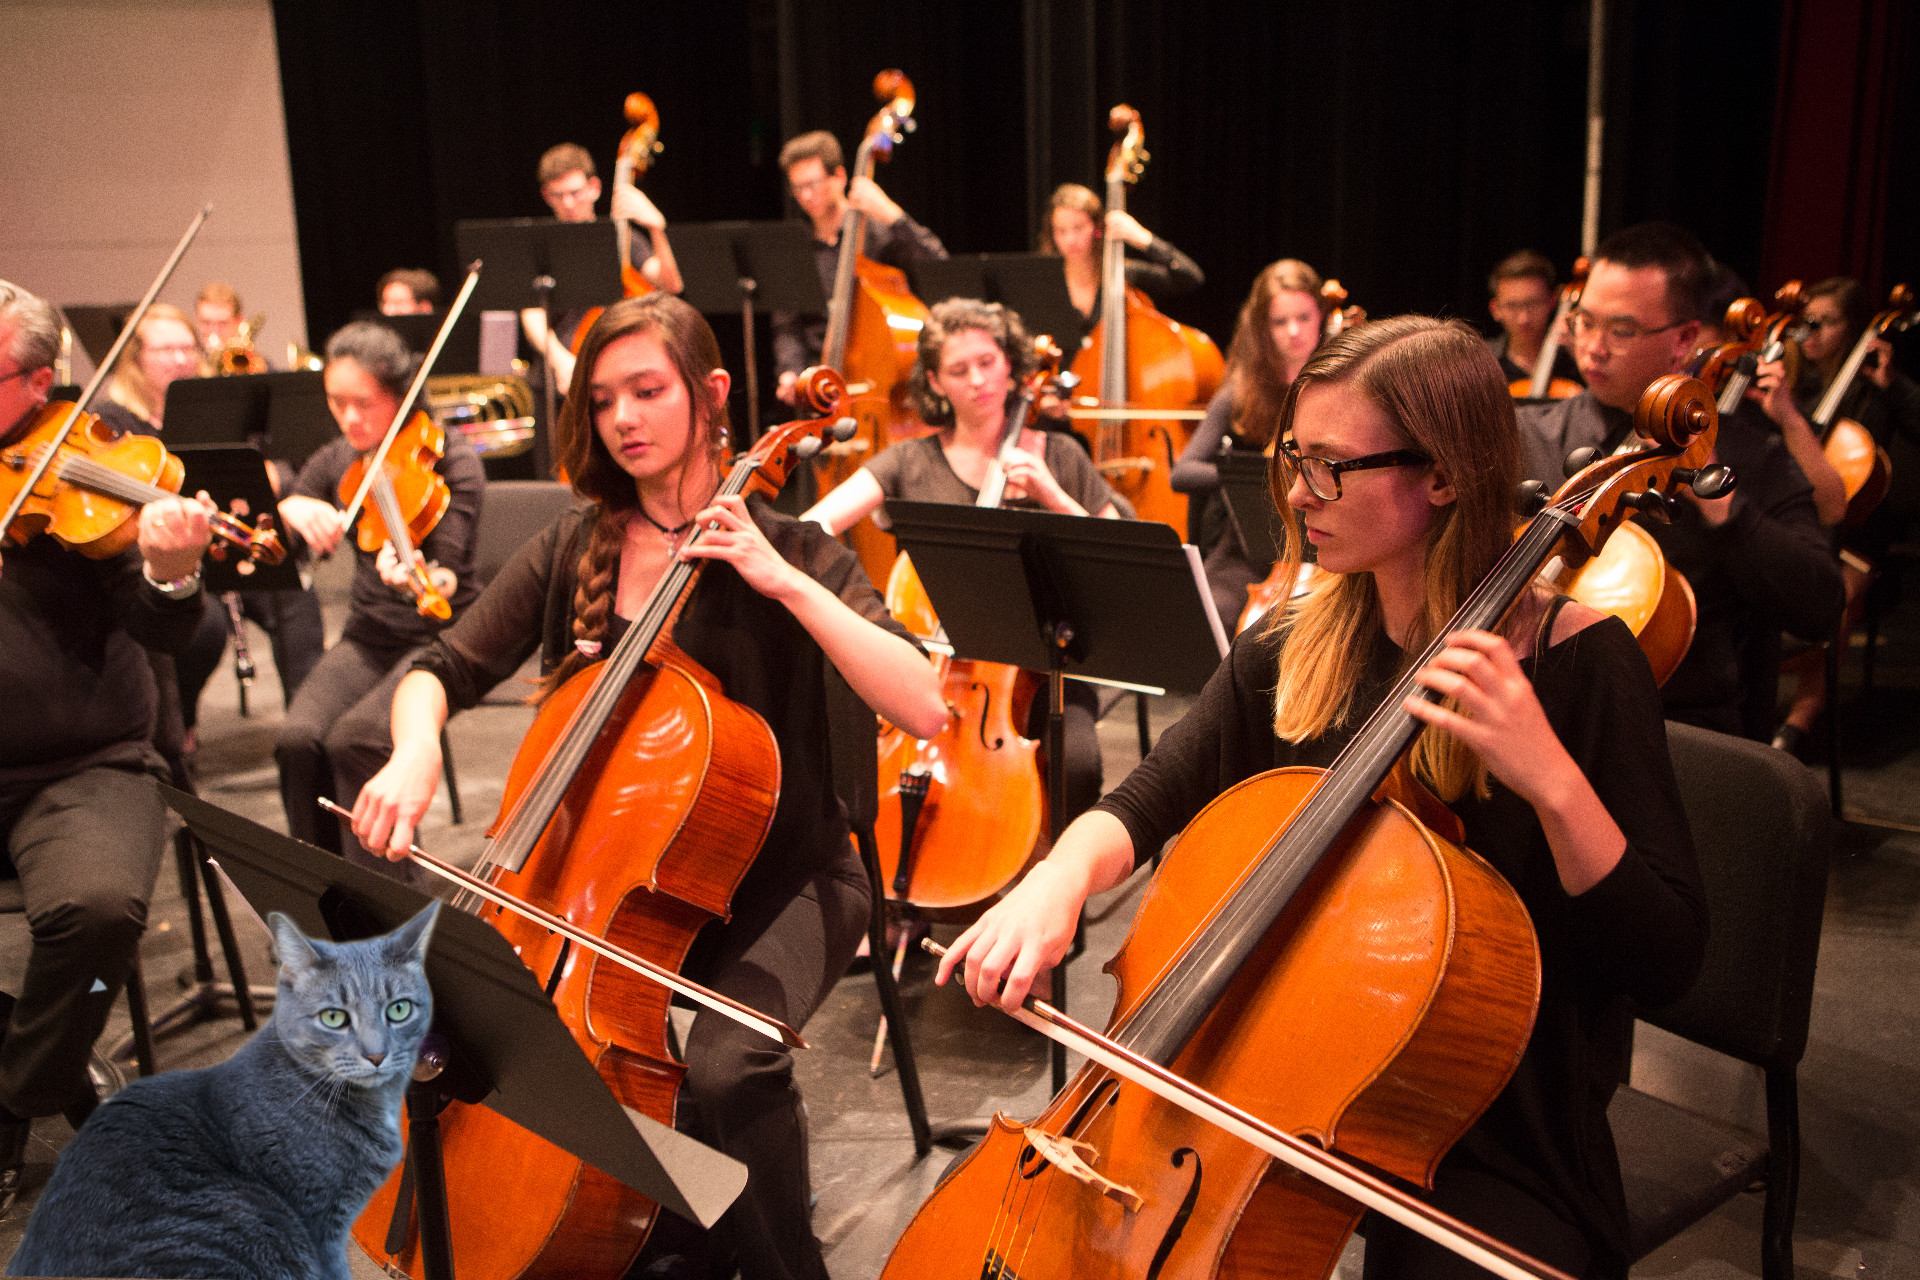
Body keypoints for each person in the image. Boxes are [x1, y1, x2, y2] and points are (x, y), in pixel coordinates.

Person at [937, 315, 1707, 1280]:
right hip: (1271, 1074)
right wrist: (1055, 880)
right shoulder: (1296, 641)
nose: (1299, 494)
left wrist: (1550, 779)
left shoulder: (1582, 664)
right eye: (1296, 457)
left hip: (1491, 1124)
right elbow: (1151, 795)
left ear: (1446, 476)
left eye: (1333, 467)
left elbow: (1669, 957)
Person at [349, 292, 946, 1280]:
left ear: (711, 394)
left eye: (648, 390)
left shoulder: (793, 549)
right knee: (459, 1019)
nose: (624, 417)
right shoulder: (574, 547)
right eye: (605, 398)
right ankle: (653, 1221)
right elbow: (437, 666)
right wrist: (414, 749)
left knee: (725, 1064)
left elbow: (925, 702)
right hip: (597, 891)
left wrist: (783, 580)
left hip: (784, 882)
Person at [0, 280, 216, 1208]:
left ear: (38, 380)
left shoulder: (93, 466)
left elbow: (168, 629)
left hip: (81, 764)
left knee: (96, 909)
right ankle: (41, 1051)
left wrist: (172, 574)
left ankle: (17, 1095)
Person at [1513, 222, 1844, 738]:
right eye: (1584, 322)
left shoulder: (1748, 455)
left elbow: (1820, 605)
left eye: (1621, 330)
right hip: (1526, 712)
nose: (1593, 347)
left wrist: (1722, 509)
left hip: (1677, 731)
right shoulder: (1528, 431)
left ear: (1686, 339)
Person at [803, 297, 1121, 822]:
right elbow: (813, 527)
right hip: (933, 668)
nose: (977, 380)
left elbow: (1116, 552)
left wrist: (1053, 496)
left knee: (1078, 768)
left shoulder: (1058, 454)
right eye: (958, 369)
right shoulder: (909, 461)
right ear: (934, 382)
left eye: (987, 362)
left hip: (1044, 667)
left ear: (1011, 364)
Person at [272, 321, 485, 878]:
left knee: (353, 742)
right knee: (297, 740)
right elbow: (291, 506)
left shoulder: (452, 462)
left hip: (437, 639)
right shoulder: (344, 456)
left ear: (400, 395)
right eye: (337, 403)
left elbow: (450, 576)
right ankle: (321, 889)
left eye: (363, 404)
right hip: (369, 635)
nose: (349, 419)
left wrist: (417, 575)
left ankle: (386, 909)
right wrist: (291, 508)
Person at [1770, 276, 1920, 754]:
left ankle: (1799, 721)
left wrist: (1893, 384)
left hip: (1863, 529)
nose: (1810, 332)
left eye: (1825, 322)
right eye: (1806, 322)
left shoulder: (1880, 386)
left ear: (1855, 329)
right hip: (1801, 522)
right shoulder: (1799, 384)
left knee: (1838, 595)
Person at [1171, 258, 1329, 626]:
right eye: (1280, 321)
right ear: (1263, 327)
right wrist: (1256, 476)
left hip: (1323, 543)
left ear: (1321, 316)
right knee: (1202, 617)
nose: (1293, 331)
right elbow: (1183, 474)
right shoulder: (1242, 391)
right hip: (1248, 544)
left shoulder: (1342, 384)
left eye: (1304, 317)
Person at [770, 130, 948, 408]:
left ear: (839, 177)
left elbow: (938, 267)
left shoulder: (878, 233)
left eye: (813, 183)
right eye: (797, 187)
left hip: (880, 383)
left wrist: (893, 215)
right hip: (823, 388)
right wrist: (790, 372)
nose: (806, 195)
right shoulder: (796, 251)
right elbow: (787, 325)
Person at [518, 141, 685, 393]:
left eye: (575, 193)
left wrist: (656, 228)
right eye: (558, 195)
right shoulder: (543, 245)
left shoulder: (623, 239)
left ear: (594, 187)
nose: (569, 203)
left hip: (618, 378)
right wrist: (560, 359)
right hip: (557, 375)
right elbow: (531, 312)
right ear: (545, 196)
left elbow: (670, 284)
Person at [1040, 181, 1203, 350]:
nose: (1070, 240)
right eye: (1061, 230)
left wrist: (1143, 238)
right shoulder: (1044, 281)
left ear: (1098, 227)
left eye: (1079, 228)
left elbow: (1190, 278)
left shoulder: (1123, 273)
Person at [1485, 250, 1581, 390]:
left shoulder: (1576, 361)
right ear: (1495, 309)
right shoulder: (1483, 363)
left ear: (1552, 301)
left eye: (1533, 303)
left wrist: (1578, 354)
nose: (1524, 318)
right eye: (1513, 306)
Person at [193, 282, 246, 362]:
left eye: (222, 323)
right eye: (206, 323)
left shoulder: (257, 366)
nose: (213, 331)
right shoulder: (188, 365)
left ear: (238, 322)